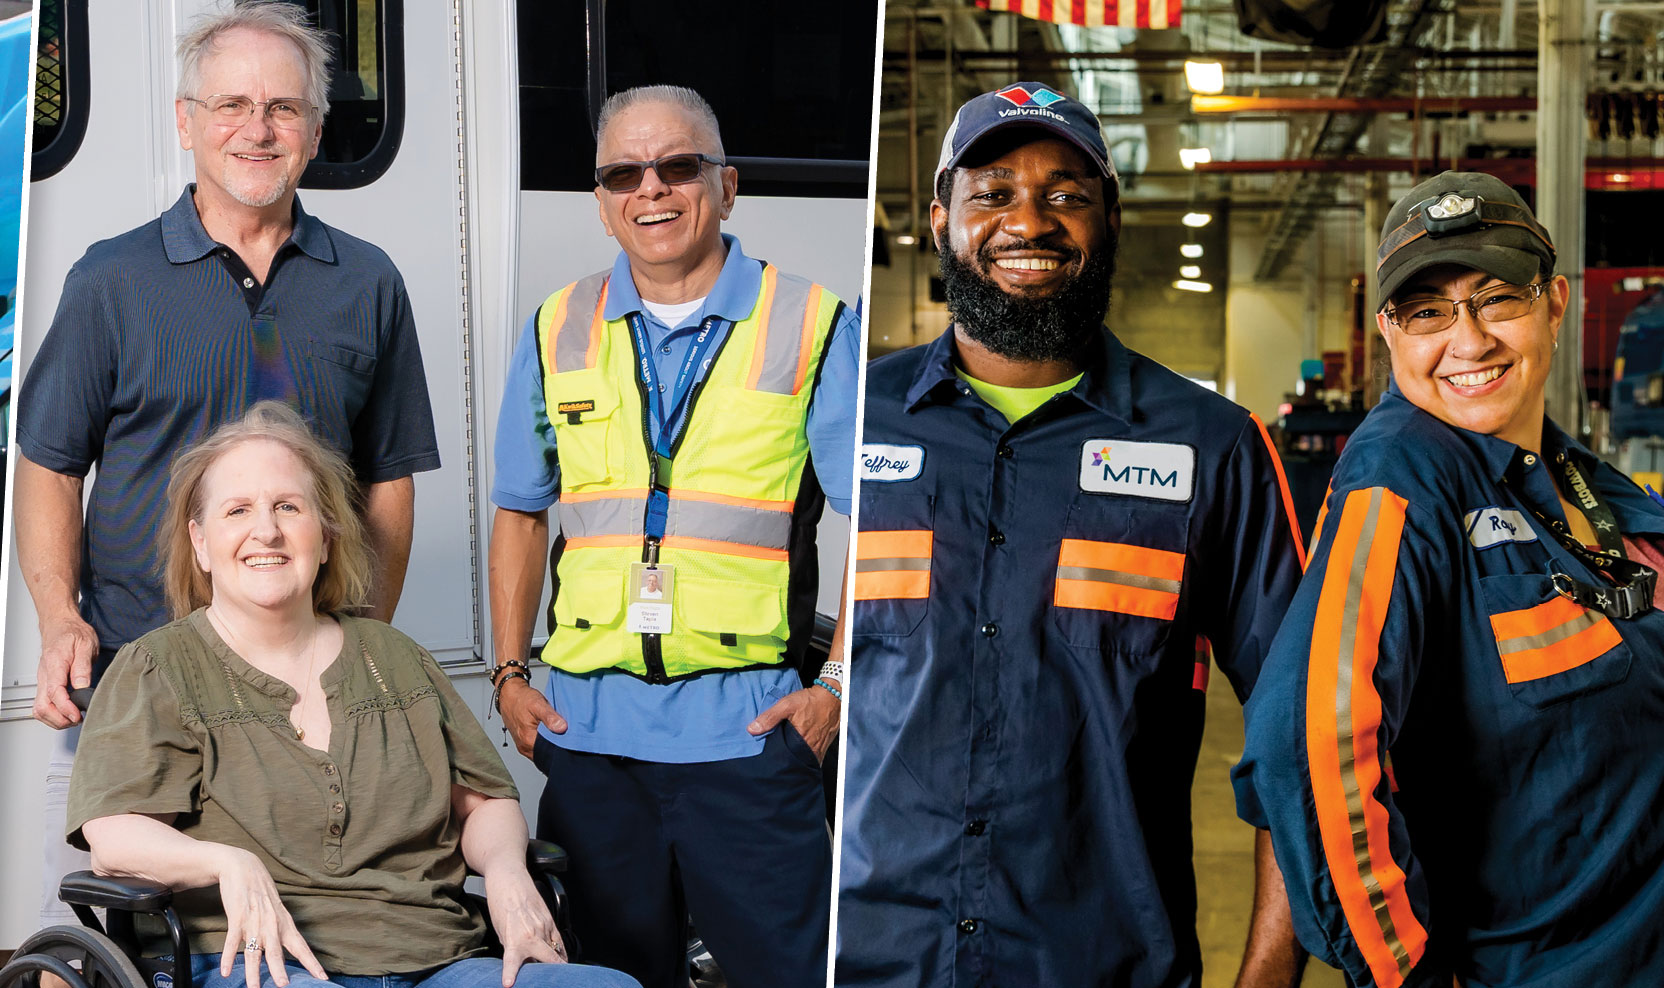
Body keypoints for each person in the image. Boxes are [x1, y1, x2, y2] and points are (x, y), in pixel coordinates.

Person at [837, 83, 1307, 988]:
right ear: (940, 220)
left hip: (1104, 966)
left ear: (1109, 220)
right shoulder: (855, 417)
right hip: (873, 960)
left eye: (1065, 193)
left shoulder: (1213, 447)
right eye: (993, 192)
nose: (1030, 220)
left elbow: (1300, 737)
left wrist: (1268, 975)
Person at [15, 0, 437, 928]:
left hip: (306, 690)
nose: (257, 129)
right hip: (136, 682)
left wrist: (361, 641)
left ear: (316, 131)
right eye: (231, 105)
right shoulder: (111, 280)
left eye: (283, 109)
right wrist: (58, 620)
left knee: (311, 923)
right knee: (109, 933)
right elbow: (48, 463)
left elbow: (391, 476)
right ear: (186, 122)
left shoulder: (368, 282)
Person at [1235, 172, 1664, 988]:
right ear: (1390, 333)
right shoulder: (1400, 477)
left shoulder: (1587, 486)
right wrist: (1405, 973)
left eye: (1497, 298)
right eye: (1429, 311)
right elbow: (1309, 747)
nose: (1468, 342)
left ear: (1556, 304)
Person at [484, 85, 858, 988]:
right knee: (609, 983)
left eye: (678, 165)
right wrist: (507, 672)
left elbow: (885, 525)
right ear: (604, 203)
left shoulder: (810, 321)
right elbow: (519, 509)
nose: (651, 189)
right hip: (591, 743)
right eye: (623, 173)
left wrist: (838, 686)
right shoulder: (556, 326)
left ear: (725, 185)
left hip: (751, 742)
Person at [69, 402, 632, 988]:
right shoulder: (158, 668)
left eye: (289, 506)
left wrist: (509, 874)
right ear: (202, 543)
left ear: (328, 534)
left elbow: (484, 802)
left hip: (439, 958)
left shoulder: (395, 659)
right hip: (260, 963)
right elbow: (113, 836)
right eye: (238, 510)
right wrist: (226, 862)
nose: (267, 530)